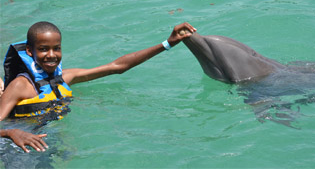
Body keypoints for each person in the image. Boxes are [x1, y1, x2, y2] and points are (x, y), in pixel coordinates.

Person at [0, 21, 196, 152]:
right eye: (43, 49)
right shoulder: (20, 86)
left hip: (44, 139)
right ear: (29, 51)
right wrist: (11, 132)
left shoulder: (65, 78)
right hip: (16, 145)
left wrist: (167, 43)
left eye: (56, 48)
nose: (51, 55)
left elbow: (117, 67)